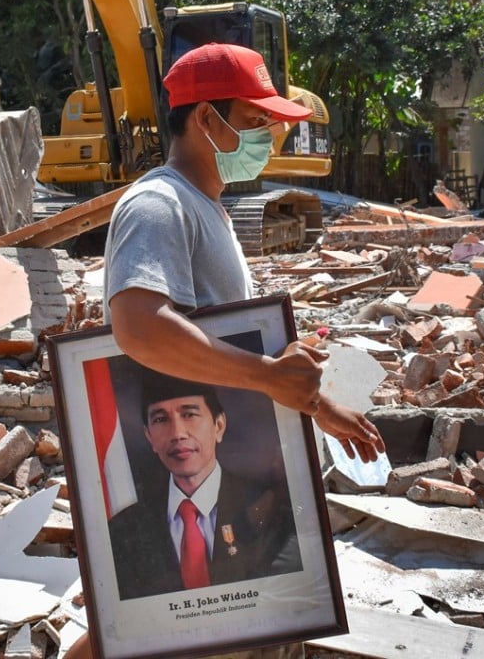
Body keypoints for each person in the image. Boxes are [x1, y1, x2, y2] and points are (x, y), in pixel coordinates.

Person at [103, 42, 385, 465]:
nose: (268, 137)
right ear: (205, 118)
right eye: (255, 121)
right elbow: (140, 328)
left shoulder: (206, 207)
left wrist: (316, 405)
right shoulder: (159, 204)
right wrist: (269, 376)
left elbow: (220, 345)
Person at [108, 368, 301, 600]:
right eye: (161, 419)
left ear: (218, 426)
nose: (177, 433)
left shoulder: (270, 509)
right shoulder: (123, 530)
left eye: (189, 414)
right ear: (149, 437)